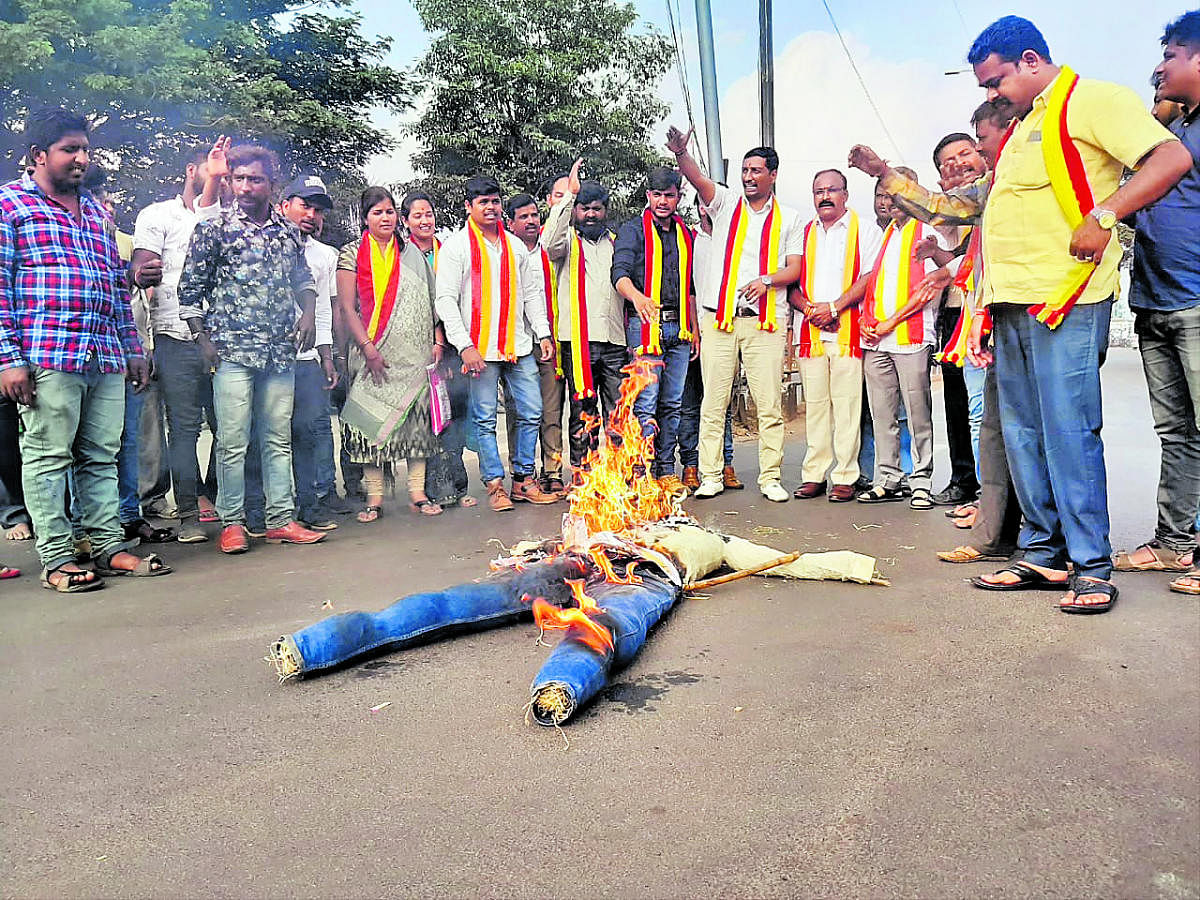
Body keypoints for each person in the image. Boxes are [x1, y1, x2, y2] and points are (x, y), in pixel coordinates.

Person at [859, 16, 1189, 612]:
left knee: (1069, 433)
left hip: (1065, 299)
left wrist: (1106, 215)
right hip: (1007, 305)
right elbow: (959, 208)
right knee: (1024, 435)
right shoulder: (1019, 130)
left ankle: (1091, 565)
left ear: (1032, 61)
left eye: (996, 82)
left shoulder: (1094, 101)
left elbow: (1168, 159)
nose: (990, 96)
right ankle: (1041, 555)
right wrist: (886, 175)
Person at [0, 107, 170, 590]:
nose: (81, 158)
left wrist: (132, 347)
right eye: (69, 150)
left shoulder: (97, 213)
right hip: (47, 354)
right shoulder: (10, 206)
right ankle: (57, 559)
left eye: (84, 149)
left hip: (104, 355)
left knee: (101, 454)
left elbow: (112, 287)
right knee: (48, 457)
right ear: (38, 156)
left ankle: (107, 547)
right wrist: (9, 361)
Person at [177, 143, 327, 554]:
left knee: (277, 437)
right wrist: (202, 338)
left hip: (279, 351)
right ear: (230, 181)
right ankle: (232, 522)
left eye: (255, 179)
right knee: (232, 440)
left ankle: (281, 520)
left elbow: (303, 279)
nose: (245, 186)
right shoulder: (214, 228)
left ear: (271, 184)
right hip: (231, 352)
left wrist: (309, 313)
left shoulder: (288, 232)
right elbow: (189, 289)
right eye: (238, 178)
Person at [667, 129, 804, 502]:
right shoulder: (726, 203)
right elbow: (697, 178)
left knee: (769, 404)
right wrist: (682, 154)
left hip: (764, 322)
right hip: (719, 320)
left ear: (773, 175)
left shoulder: (790, 219)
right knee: (714, 401)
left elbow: (794, 268)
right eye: (745, 170)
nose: (748, 176)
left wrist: (766, 280)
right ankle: (710, 474)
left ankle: (770, 478)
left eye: (756, 170)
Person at [1114, 10, 1200, 597]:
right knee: (1177, 431)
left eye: (1170, 54)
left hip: (1196, 298)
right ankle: (1174, 544)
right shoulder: (1172, 132)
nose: (1159, 65)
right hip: (1154, 297)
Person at [433, 175, 558, 512]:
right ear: (469, 206)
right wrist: (464, 345)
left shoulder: (515, 246)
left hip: (518, 344)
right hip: (480, 349)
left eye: (495, 201)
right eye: (482, 202)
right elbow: (445, 300)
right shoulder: (457, 247)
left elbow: (532, 294)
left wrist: (543, 333)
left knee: (532, 411)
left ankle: (523, 480)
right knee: (486, 418)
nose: (490, 207)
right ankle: (494, 485)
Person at [130, 139, 227, 543]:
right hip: (175, 336)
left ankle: (218, 498)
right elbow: (141, 266)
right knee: (184, 429)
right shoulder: (157, 215)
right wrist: (143, 274)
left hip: (225, 336)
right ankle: (187, 513)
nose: (220, 179)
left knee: (230, 427)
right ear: (193, 171)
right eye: (212, 170)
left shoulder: (229, 217)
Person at [335, 186, 444, 522]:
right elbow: (346, 307)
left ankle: (417, 493)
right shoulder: (351, 254)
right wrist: (368, 349)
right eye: (377, 212)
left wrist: (438, 340)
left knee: (416, 427)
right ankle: (375, 497)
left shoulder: (411, 252)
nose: (386, 218)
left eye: (390, 211)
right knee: (369, 424)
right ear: (365, 218)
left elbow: (430, 301)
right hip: (371, 354)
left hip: (414, 355)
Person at [855, 169, 950, 510]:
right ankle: (887, 478)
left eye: (895, 194)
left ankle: (921, 480)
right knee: (882, 414)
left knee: (917, 412)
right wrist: (869, 322)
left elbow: (926, 291)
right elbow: (871, 286)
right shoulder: (883, 236)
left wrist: (890, 322)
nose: (888, 201)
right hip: (877, 341)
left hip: (910, 338)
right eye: (882, 195)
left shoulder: (925, 233)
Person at [789, 168, 881, 502]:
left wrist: (835, 307)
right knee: (814, 407)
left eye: (831, 190)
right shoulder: (801, 233)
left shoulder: (865, 230)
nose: (825, 196)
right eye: (818, 191)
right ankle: (814, 475)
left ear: (845, 194)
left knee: (846, 406)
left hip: (846, 330)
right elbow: (792, 284)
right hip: (810, 331)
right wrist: (813, 310)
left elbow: (869, 277)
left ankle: (845, 475)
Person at [611, 166, 698, 493]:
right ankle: (642, 473)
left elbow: (689, 284)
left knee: (672, 403)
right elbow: (618, 274)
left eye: (669, 195)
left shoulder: (685, 233)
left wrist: (695, 327)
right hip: (645, 324)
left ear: (678, 196)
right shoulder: (633, 231)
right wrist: (638, 298)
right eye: (657, 195)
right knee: (645, 403)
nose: (663, 201)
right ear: (648, 196)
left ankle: (666, 470)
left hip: (680, 329)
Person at [542, 160, 628, 471]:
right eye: (584, 208)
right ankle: (584, 475)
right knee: (582, 411)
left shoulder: (618, 245)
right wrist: (568, 197)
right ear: (576, 210)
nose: (590, 214)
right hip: (577, 344)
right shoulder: (566, 242)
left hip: (615, 342)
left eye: (597, 208)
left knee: (619, 411)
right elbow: (547, 242)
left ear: (606, 211)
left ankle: (619, 475)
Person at [405, 191, 477, 511]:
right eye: (417, 215)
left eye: (429, 214)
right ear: (405, 220)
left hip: (452, 345)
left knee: (455, 413)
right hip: (418, 348)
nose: (425, 220)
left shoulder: (446, 252)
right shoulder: (400, 256)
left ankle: (459, 484)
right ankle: (435, 486)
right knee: (429, 418)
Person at [277, 174, 341, 530]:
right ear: (284, 205)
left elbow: (324, 312)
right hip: (269, 357)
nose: (312, 215)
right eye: (305, 206)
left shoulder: (325, 255)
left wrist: (327, 357)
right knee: (268, 436)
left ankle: (310, 506)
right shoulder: (266, 244)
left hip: (307, 360)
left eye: (318, 210)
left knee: (308, 433)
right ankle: (262, 512)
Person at [927, 133, 984, 507]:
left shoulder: (994, 195)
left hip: (983, 311)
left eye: (964, 154)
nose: (958, 166)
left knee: (985, 405)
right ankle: (964, 479)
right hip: (952, 310)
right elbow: (944, 254)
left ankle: (993, 488)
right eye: (947, 164)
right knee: (956, 401)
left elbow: (964, 262)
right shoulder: (946, 211)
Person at [676, 203, 742, 492]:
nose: (708, 208)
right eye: (703, 203)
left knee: (721, 401)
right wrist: (693, 329)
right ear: (698, 207)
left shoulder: (736, 237)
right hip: (696, 328)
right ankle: (691, 465)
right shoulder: (689, 239)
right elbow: (687, 289)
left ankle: (725, 464)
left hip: (727, 327)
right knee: (690, 404)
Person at [506, 192, 567, 495]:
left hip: (547, 341)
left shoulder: (550, 249)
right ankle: (522, 474)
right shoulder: (504, 251)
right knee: (521, 412)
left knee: (551, 410)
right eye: (523, 217)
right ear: (511, 222)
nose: (531, 221)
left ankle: (553, 470)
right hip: (515, 343)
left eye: (534, 215)